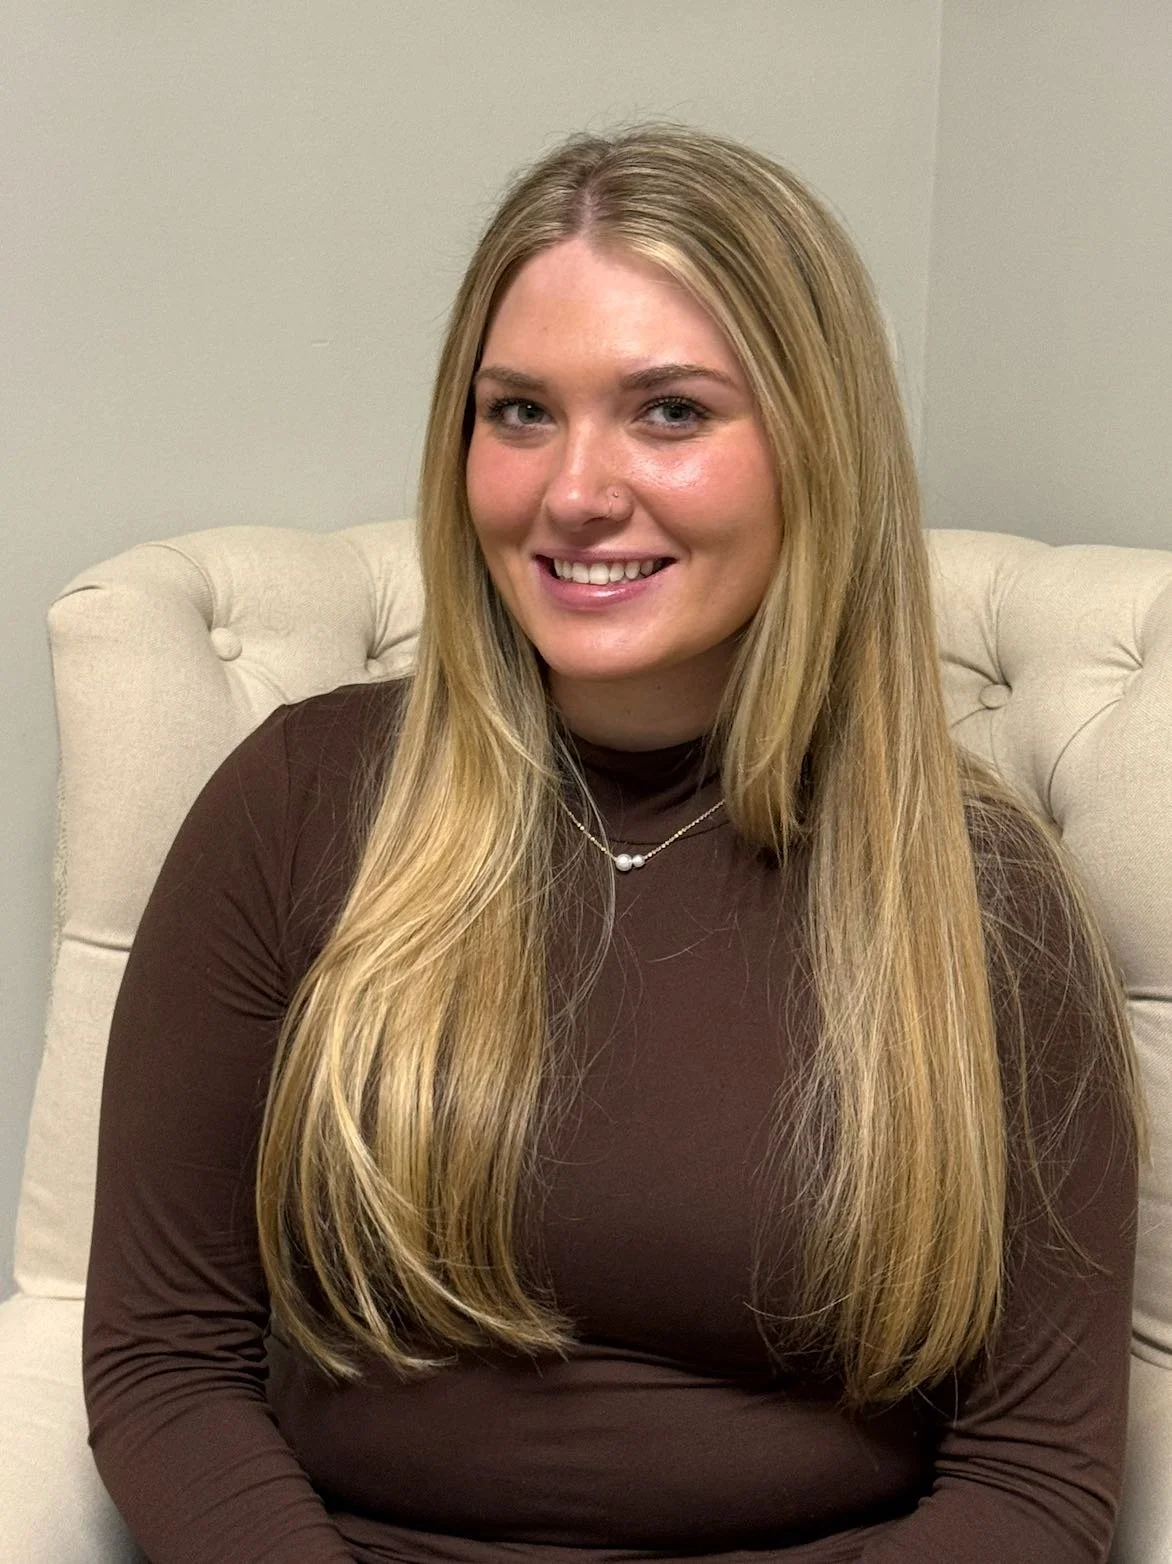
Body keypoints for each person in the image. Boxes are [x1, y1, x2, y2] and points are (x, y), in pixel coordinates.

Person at [82, 123, 1144, 1563]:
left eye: (668, 413)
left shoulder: (982, 901)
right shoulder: (299, 802)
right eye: (519, 411)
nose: (574, 490)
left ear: (815, 450)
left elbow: (1035, 1480)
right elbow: (163, 1365)